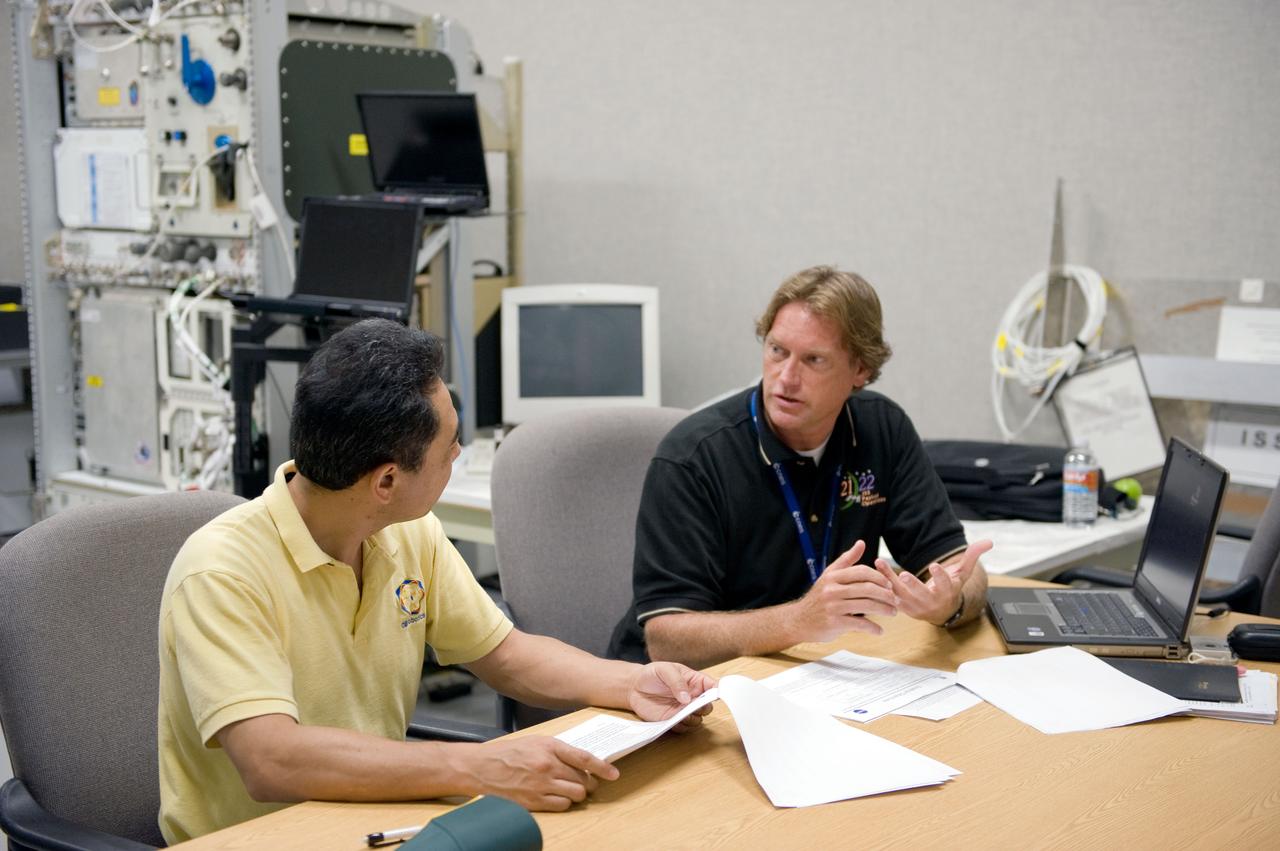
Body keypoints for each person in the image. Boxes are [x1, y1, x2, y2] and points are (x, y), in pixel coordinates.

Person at [157, 319, 715, 844]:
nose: (457, 454)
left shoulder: (408, 532)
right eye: (449, 447)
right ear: (387, 480)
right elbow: (271, 759)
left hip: (376, 819)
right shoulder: (222, 570)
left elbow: (506, 655)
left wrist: (632, 684)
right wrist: (478, 766)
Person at [608, 266, 991, 668]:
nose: (786, 378)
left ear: (859, 370)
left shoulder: (883, 429)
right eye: (777, 351)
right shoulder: (693, 456)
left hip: (811, 674)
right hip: (673, 694)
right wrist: (800, 620)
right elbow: (667, 640)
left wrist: (950, 602)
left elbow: (959, 569)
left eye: (814, 360)